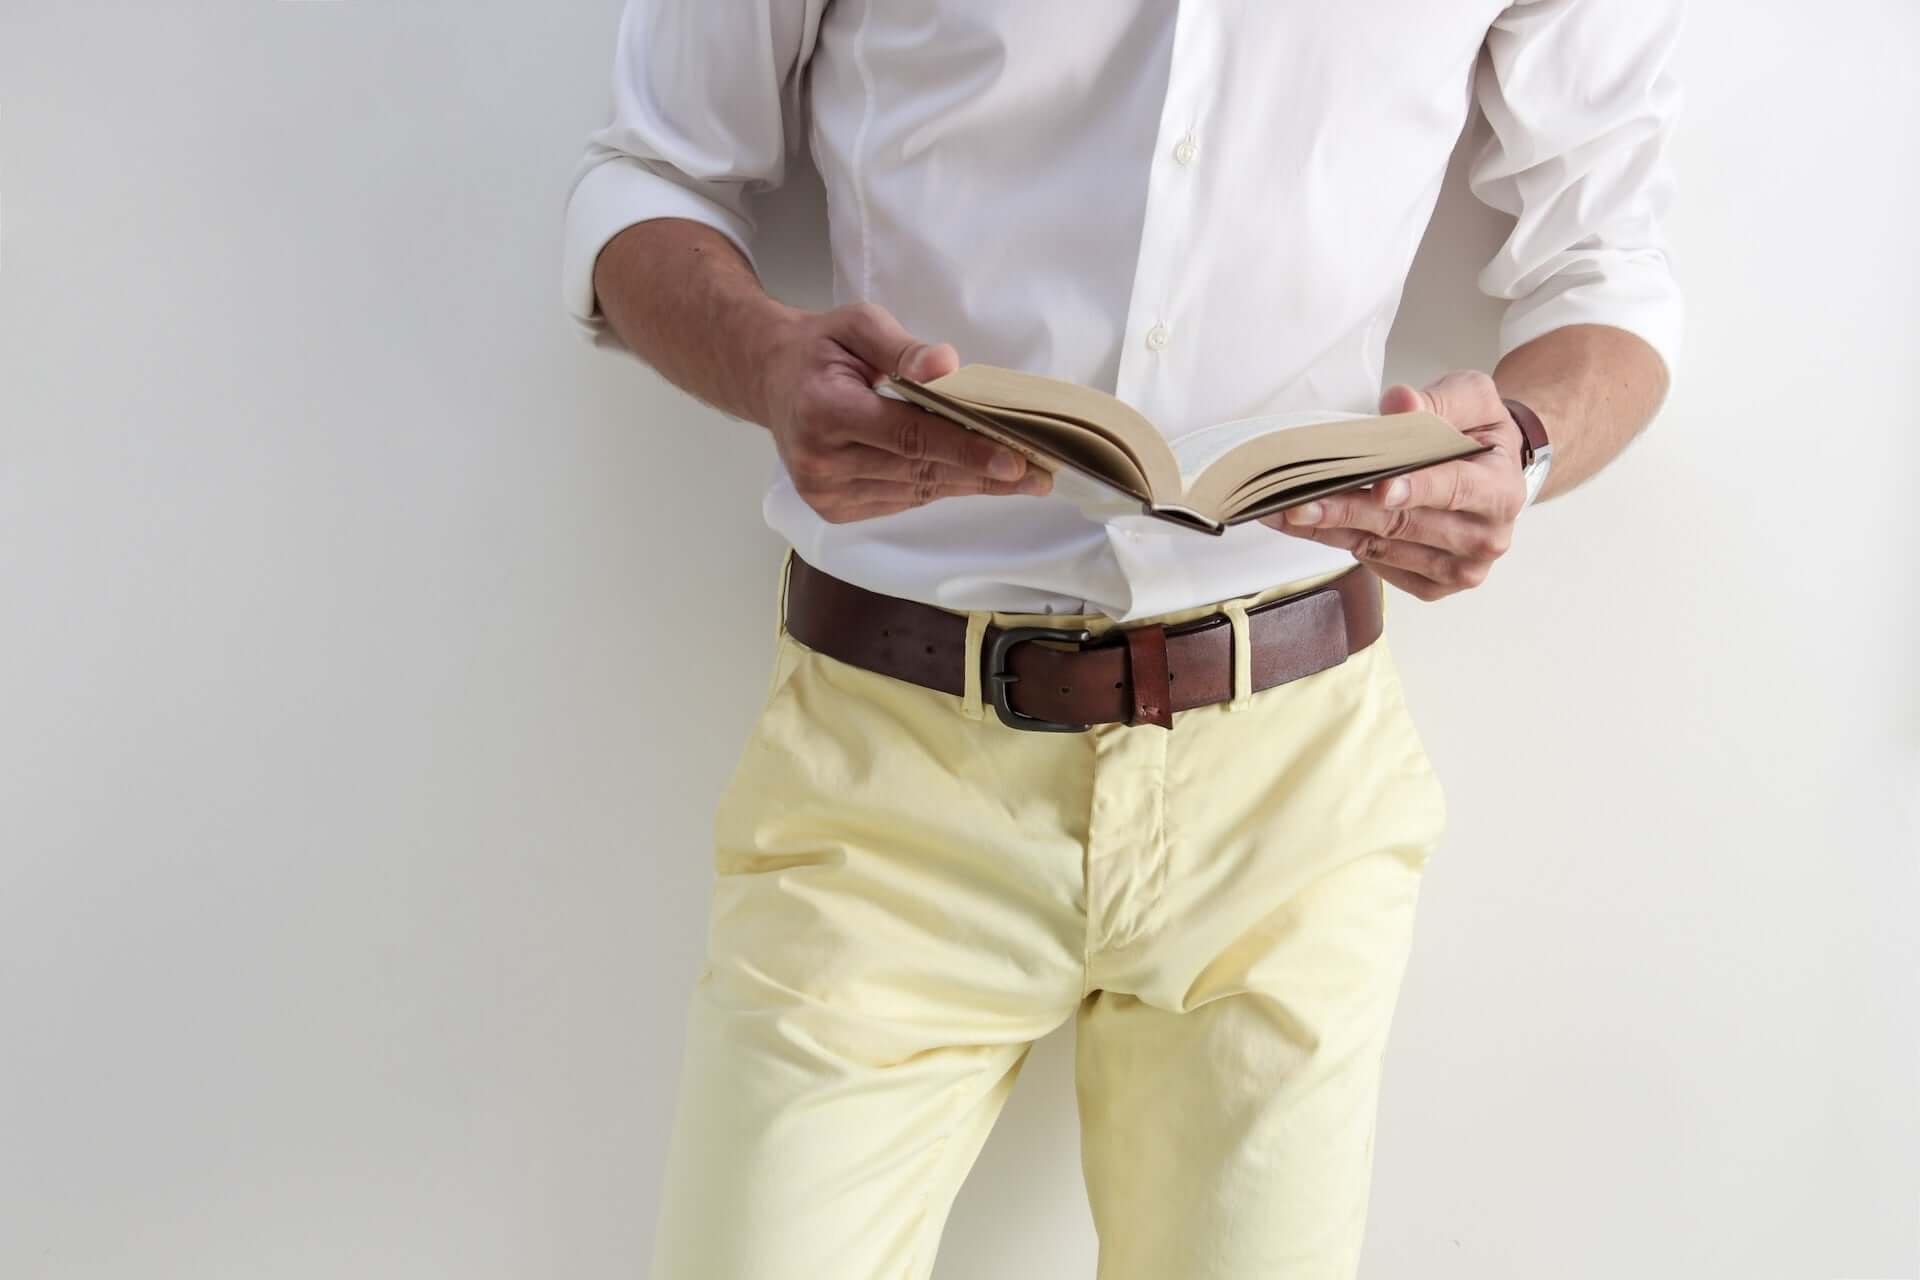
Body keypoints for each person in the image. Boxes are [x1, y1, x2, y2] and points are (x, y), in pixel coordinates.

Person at [562, 2, 1682, 1276]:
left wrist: (1524, 449)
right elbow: (646, 176)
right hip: (889, 767)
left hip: (1291, 790)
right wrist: (766, 361)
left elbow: (1610, 269)